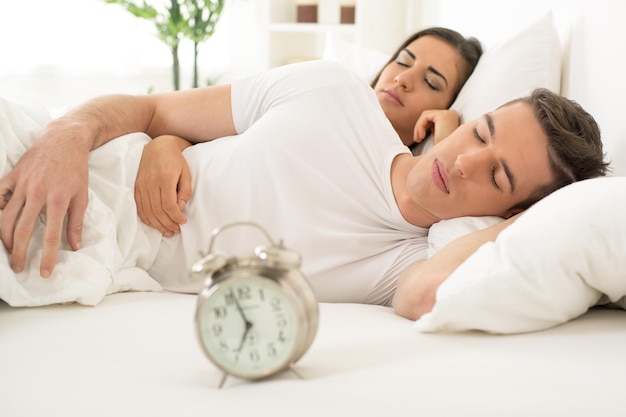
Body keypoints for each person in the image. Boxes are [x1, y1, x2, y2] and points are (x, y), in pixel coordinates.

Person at [0, 59, 608, 315]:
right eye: (482, 132)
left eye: (498, 174)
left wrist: (523, 223)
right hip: (71, 157)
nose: (467, 162)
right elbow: (153, 109)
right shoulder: (332, 91)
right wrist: (67, 138)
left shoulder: (409, 260)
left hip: (95, 251)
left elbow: (423, 296)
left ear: (515, 208)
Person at [135, 27, 483, 236]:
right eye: (403, 61)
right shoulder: (324, 94)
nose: (402, 79)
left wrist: (449, 140)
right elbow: (209, 129)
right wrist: (165, 144)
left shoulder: (399, 200)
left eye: (431, 81)